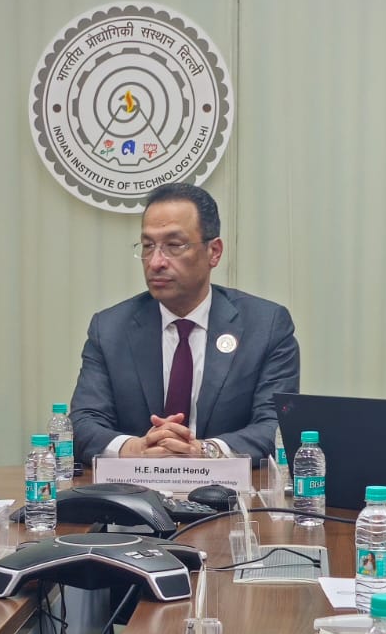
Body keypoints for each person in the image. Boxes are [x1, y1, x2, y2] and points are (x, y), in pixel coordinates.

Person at [69, 182, 300, 465]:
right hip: (134, 487)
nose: (156, 262)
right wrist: (134, 448)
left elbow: (275, 425)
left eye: (174, 246)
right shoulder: (109, 329)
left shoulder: (265, 325)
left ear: (214, 252)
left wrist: (205, 451)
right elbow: (83, 422)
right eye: (148, 246)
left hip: (229, 489)